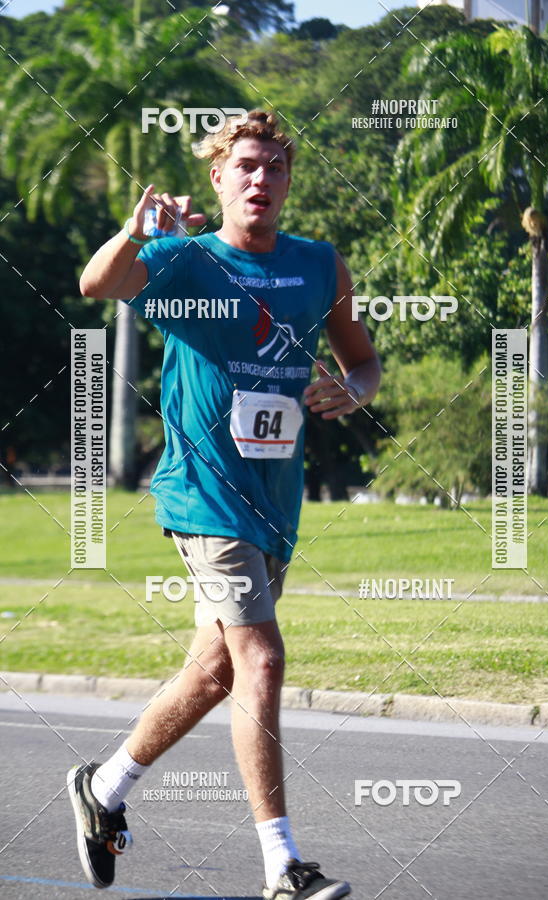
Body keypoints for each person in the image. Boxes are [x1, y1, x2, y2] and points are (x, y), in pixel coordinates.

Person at [68, 109, 381, 899]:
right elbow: (96, 283)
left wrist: (353, 390)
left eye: (274, 167)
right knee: (261, 661)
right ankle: (283, 867)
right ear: (218, 178)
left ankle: (102, 789)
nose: (259, 178)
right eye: (245, 165)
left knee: (213, 671)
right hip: (203, 495)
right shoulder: (184, 260)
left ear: (289, 181)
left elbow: (363, 360)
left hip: (275, 502)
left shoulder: (318, 264)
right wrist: (136, 232)